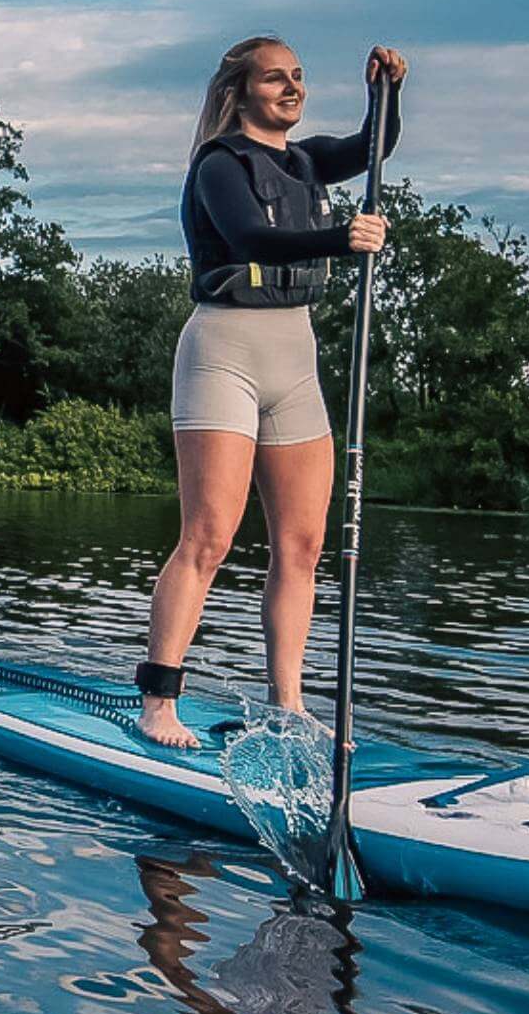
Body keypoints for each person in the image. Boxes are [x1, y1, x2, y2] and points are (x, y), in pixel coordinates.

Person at [137, 41, 407, 746]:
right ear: (242, 89)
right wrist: (342, 237)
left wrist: (387, 91)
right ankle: (159, 700)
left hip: (295, 358)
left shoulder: (307, 160)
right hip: (224, 351)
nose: (292, 87)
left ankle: (287, 701)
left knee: (304, 542)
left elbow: (377, 147)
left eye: (299, 76)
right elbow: (251, 235)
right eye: (276, 77)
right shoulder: (220, 164)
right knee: (209, 536)